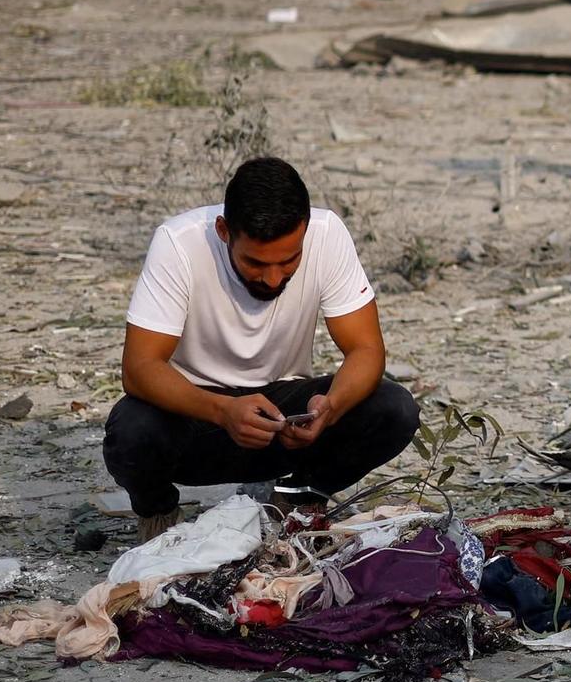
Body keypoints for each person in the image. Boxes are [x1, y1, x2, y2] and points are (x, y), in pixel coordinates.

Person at [102, 157, 419, 542]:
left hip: (283, 420)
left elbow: (366, 349)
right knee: (130, 430)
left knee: (393, 407)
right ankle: (160, 516)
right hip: (197, 413)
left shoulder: (327, 233)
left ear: (304, 230)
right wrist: (223, 411)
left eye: (290, 261)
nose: (272, 278)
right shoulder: (178, 243)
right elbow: (138, 368)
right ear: (223, 231)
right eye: (254, 262)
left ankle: (297, 499)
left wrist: (330, 407)